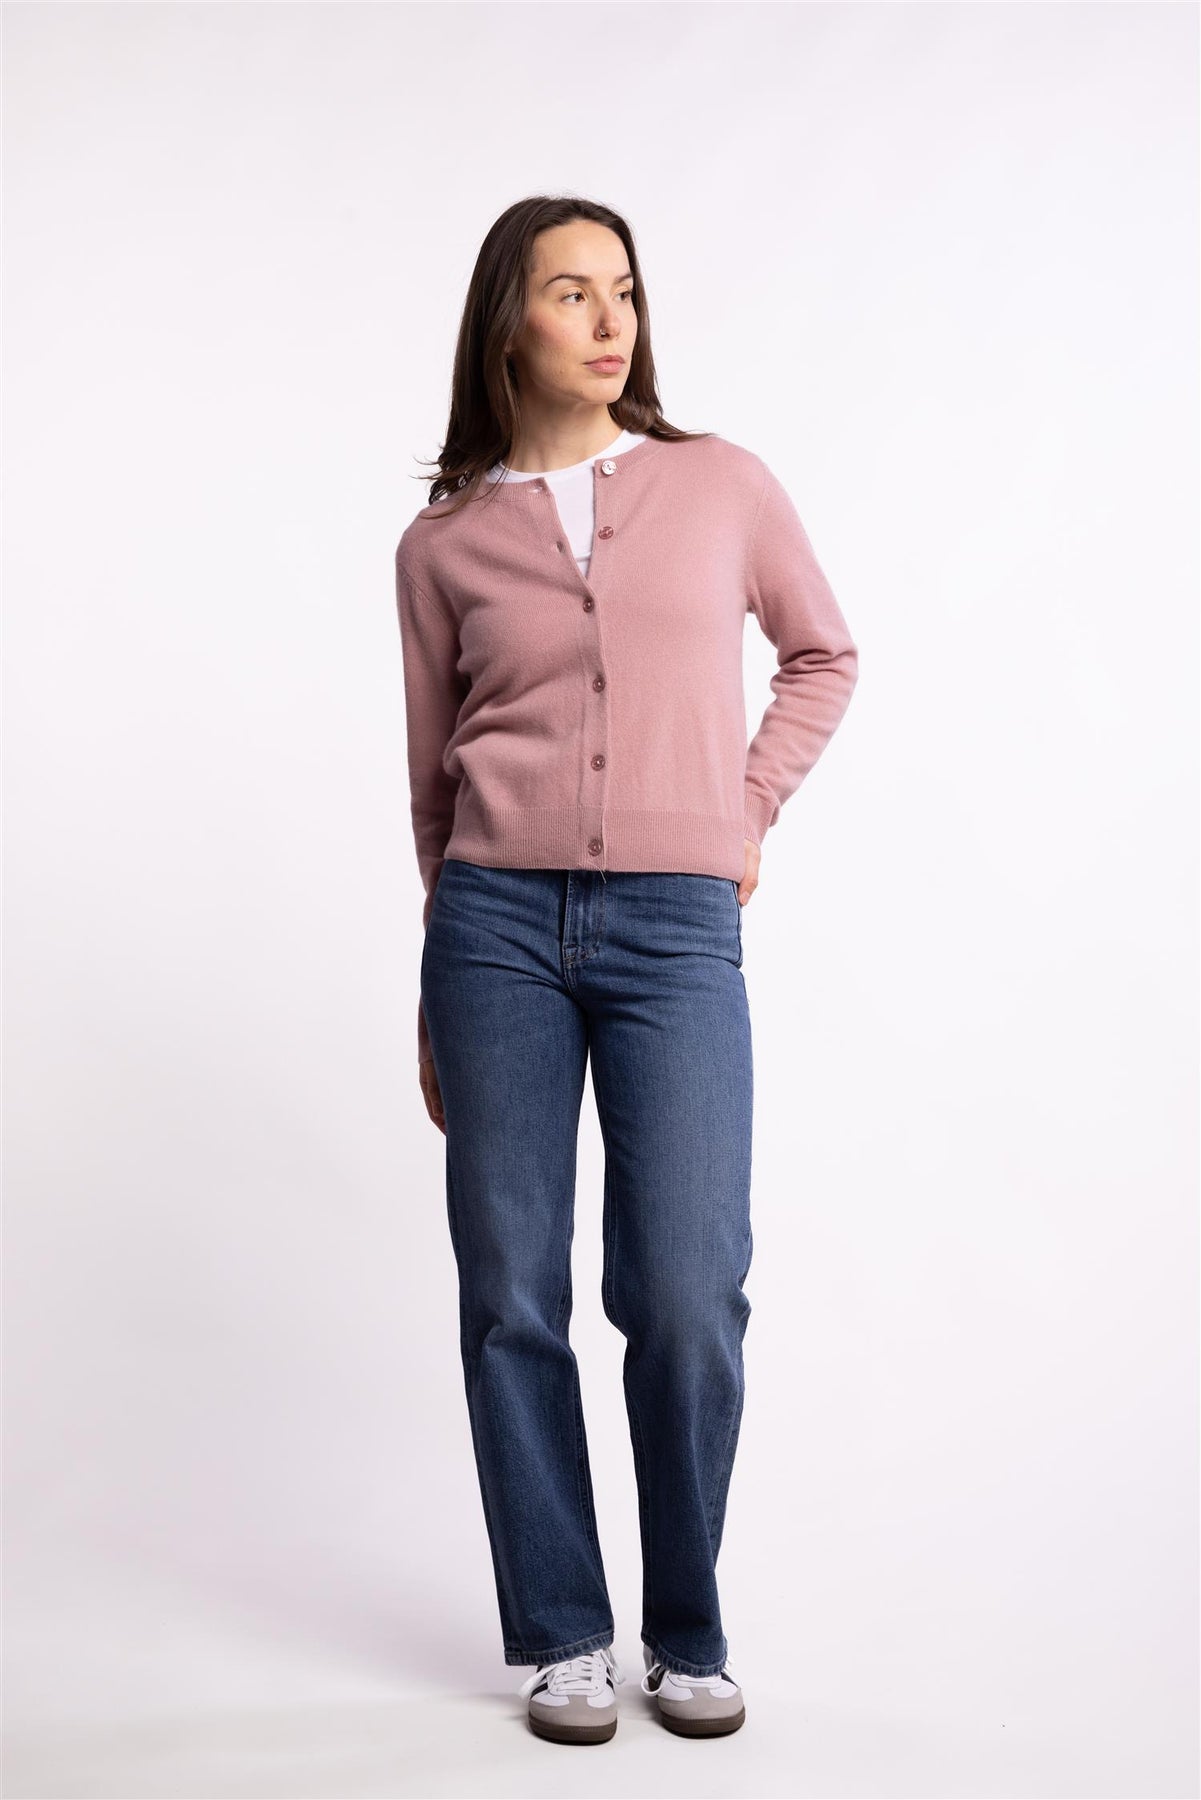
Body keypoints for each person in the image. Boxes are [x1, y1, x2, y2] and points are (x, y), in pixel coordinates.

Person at [393, 195, 858, 1744]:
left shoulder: (719, 483)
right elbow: (432, 782)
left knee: (685, 1287)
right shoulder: (442, 543)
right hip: (491, 930)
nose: (609, 323)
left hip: (673, 927)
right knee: (509, 1293)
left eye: (624, 293)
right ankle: (562, 1632)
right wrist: (433, 978)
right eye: (571, 294)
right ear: (505, 324)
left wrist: (743, 808)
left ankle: (688, 1629)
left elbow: (823, 654)